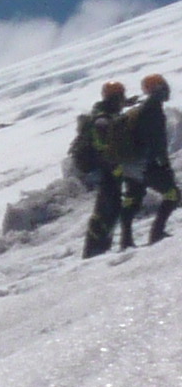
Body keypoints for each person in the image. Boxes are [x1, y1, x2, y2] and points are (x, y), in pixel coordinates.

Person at [76, 81, 143, 257]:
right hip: (103, 169)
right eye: (121, 96)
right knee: (107, 207)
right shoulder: (103, 119)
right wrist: (113, 164)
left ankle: (98, 248)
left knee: (109, 207)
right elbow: (103, 144)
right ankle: (95, 250)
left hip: (103, 167)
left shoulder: (105, 111)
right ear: (115, 97)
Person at [137, 75, 179, 246]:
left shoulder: (151, 107)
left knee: (173, 194)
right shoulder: (153, 109)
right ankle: (156, 234)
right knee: (173, 195)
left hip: (146, 164)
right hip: (151, 164)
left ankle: (156, 233)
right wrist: (162, 163)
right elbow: (155, 141)